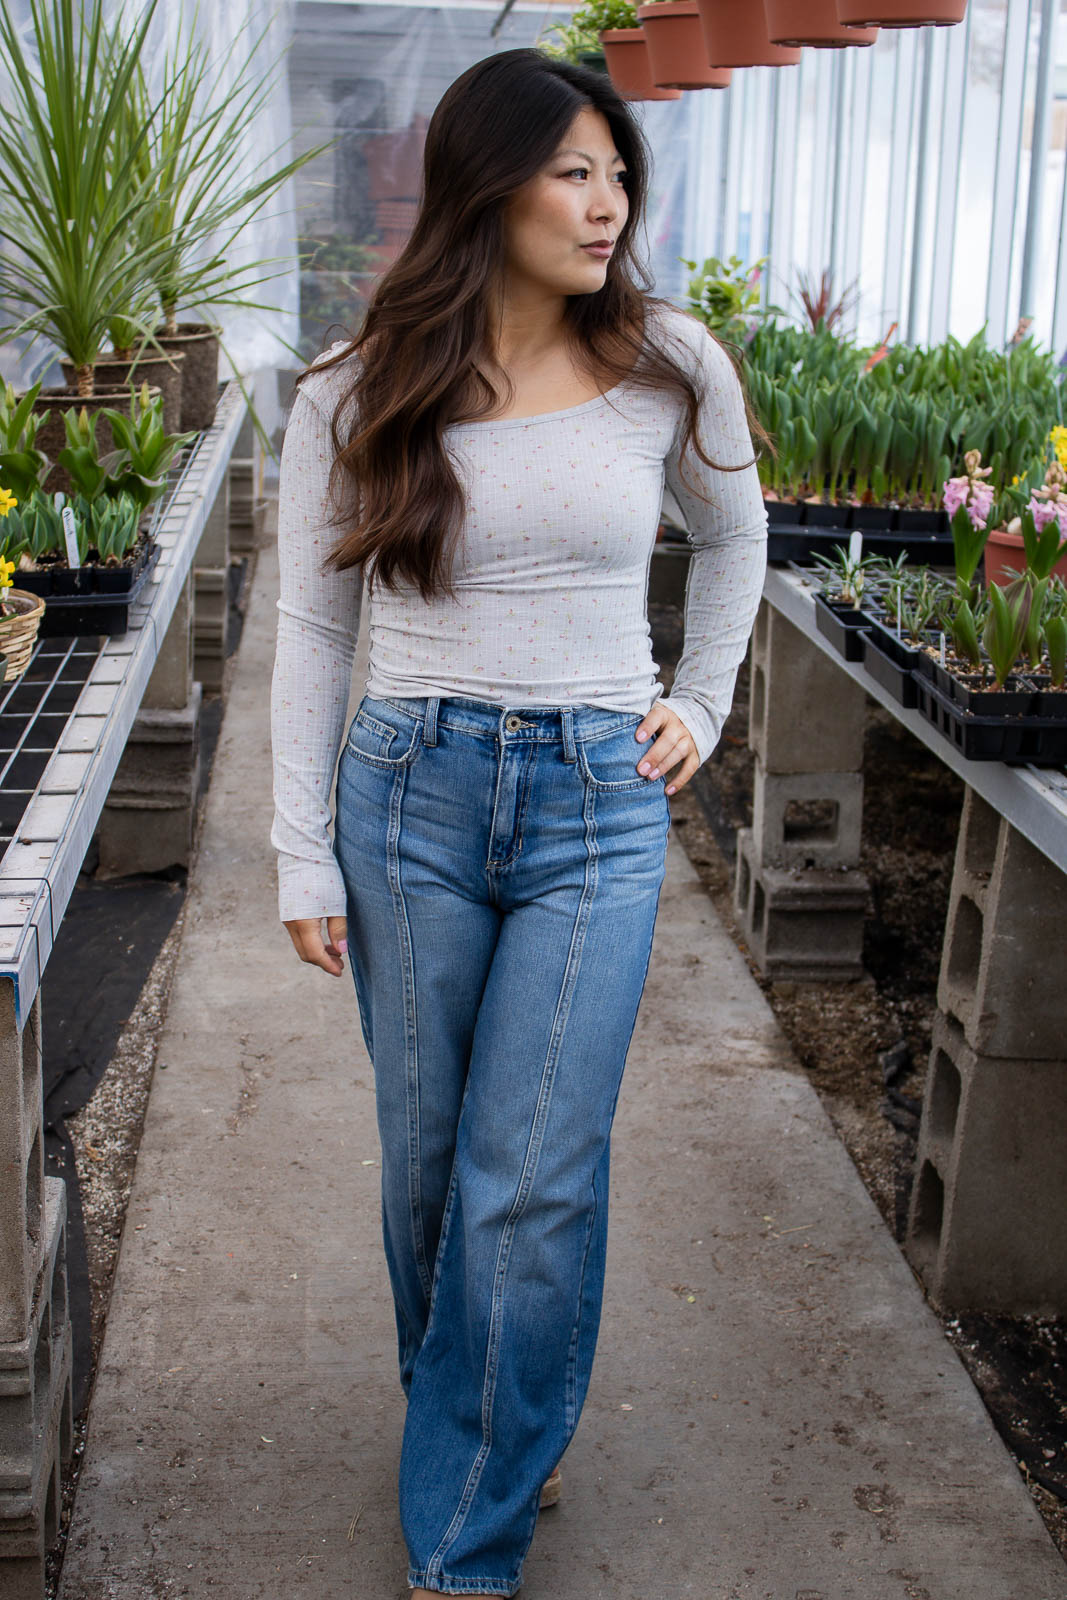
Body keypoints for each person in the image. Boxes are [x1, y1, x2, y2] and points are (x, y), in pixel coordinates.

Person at [270, 46, 768, 1598]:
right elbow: (311, 629)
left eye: (618, 170)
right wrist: (299, 848)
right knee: (430, 1165)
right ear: (489, 187)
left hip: (596, 810)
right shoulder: (358, 389)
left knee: (531, 1168)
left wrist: (701, 702)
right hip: (407, 798)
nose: (608, 199)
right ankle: (477, 1422)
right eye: (573, 170)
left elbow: (738, 537)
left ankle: (467, 1533)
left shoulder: (672, 365)